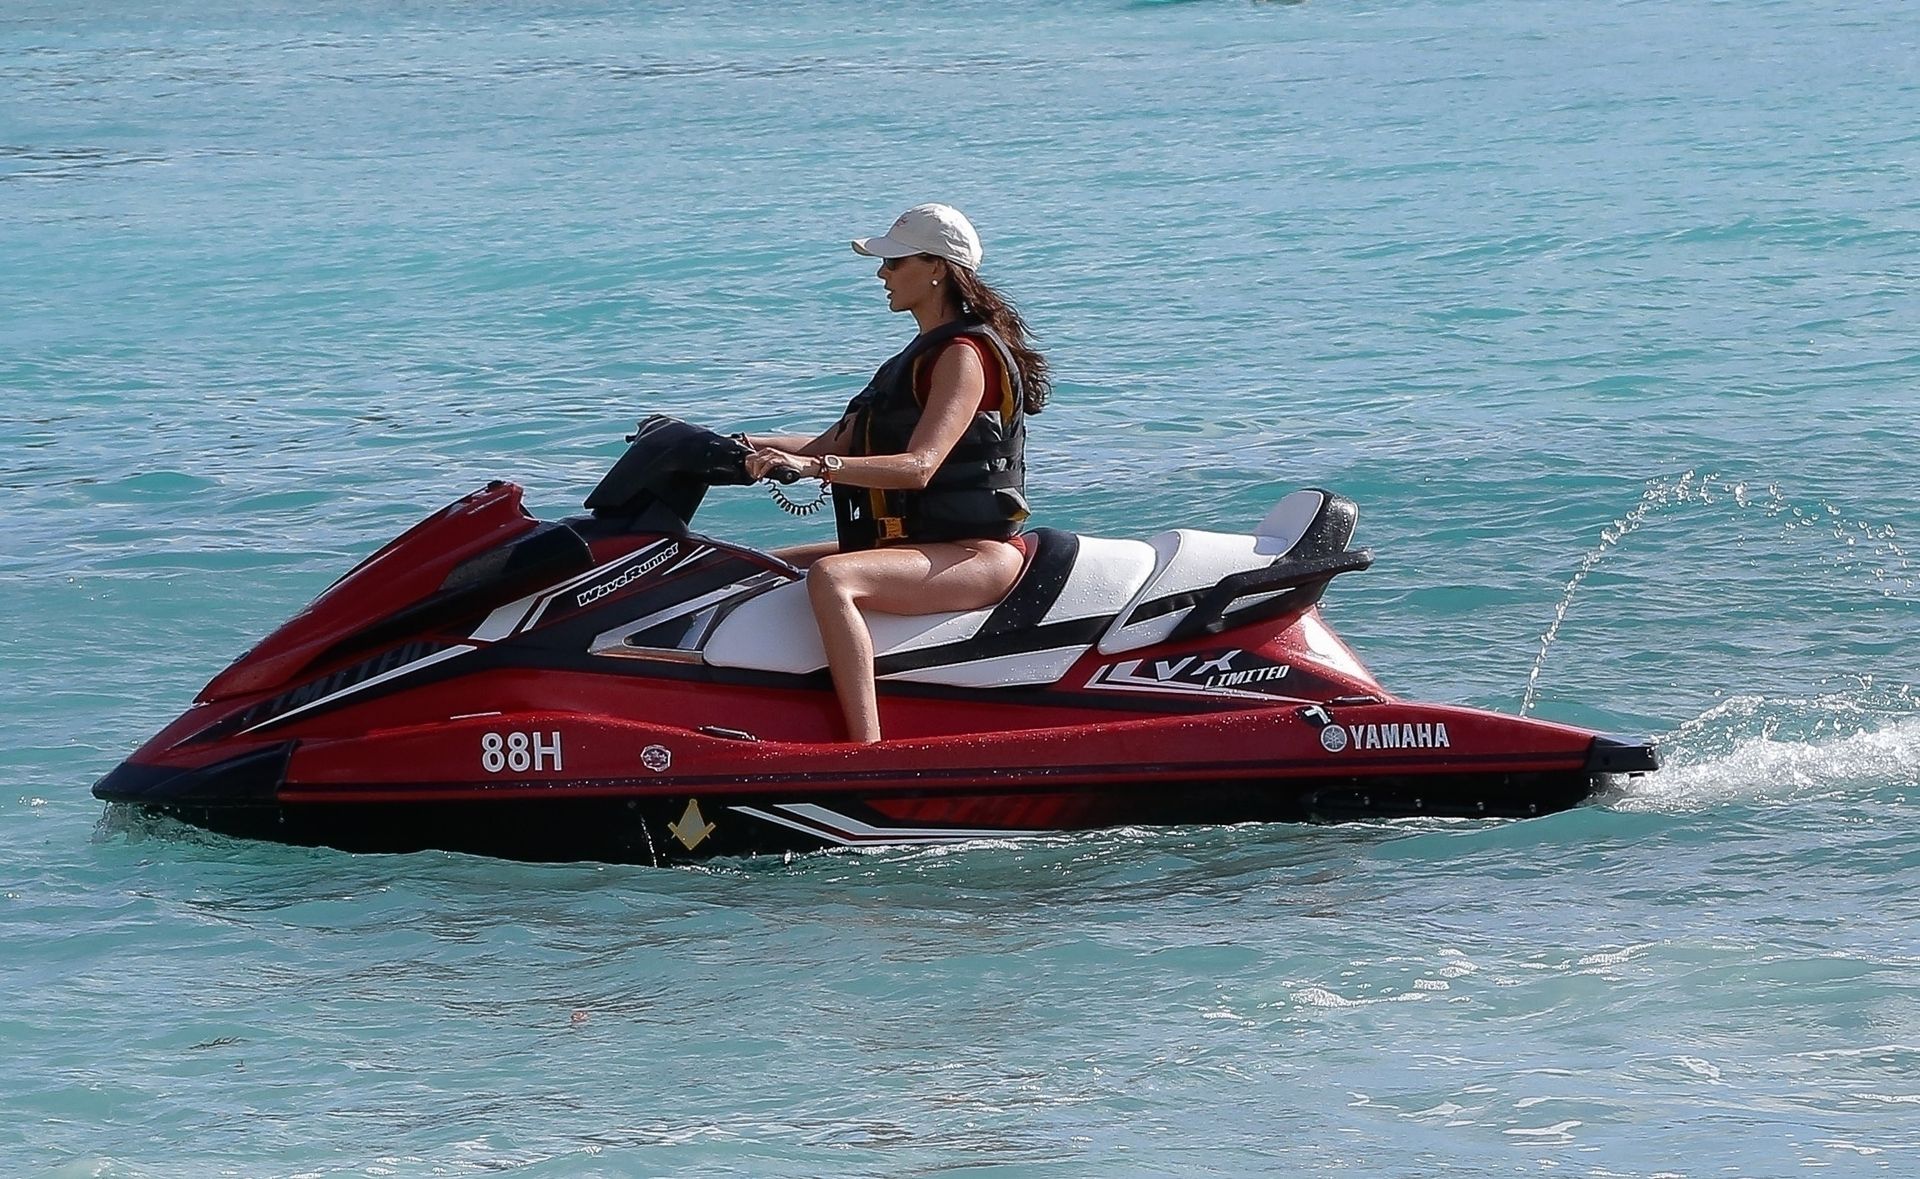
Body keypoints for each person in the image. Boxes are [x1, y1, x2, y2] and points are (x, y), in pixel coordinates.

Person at [741, 203, 1052, 743]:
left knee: (833, 578)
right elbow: (832, 443)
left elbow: (919, 467)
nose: (882, 274)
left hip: (974, 553)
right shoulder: (914, 358)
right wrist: (731, 445)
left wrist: (816, 468)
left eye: (894, 262)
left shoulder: (962, 355)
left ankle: (864, 746)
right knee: (756, 565)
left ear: (937, 269)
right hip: (919, 544)